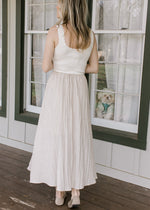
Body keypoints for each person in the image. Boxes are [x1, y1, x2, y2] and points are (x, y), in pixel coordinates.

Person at [27, 0, 98, 208]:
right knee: (77, 135)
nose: (57, 8)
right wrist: (75, 68)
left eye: (59, 5)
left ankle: (60, 192)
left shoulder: (54, 31)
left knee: (58, 134)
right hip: (78, 87)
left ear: (67, 8)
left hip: (58, 87)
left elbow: (46, 66)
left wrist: (63, 66)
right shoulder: (90, 34)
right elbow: (93, 68)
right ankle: (75, 192)